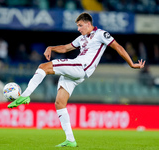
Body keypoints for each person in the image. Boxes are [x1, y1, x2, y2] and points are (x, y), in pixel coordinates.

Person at [7, 12, 145, 147]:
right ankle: (70, 140)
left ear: (88, 23)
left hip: (81, 67)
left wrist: (131, 64)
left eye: (80, 25)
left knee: (43, 67)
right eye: (77, 26)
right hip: (76, 73)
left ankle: (25, 95)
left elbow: (118, 47)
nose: (78, 29)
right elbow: (66, 48)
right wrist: (51, 47)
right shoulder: (82, 38)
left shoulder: (101, 34)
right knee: (60, 103)